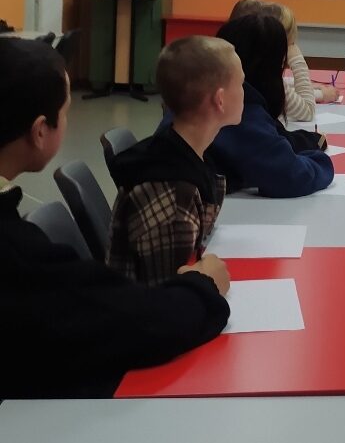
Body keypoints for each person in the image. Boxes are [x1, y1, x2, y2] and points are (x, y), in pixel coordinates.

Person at [0, 38, 229, 398]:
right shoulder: (17, 253)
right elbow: (142, 323)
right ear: (40, 130)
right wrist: (204, 286)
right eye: (67, 111)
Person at [108, 36, 244, 286]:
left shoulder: (185, 152)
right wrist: (209, 285)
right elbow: (171, 300)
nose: (245, 92)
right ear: (220, 99)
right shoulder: (174, 198)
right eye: (241, 84)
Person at [164, 14, 335, 198]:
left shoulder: (196, 97)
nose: (245, 90)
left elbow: (270, 143)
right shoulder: (236, 116)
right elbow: (290, 176)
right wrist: (321, 161)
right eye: (241, 83)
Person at [228, 0, 337, 121]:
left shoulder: (240, 66)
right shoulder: (265, 78)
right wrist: (297, 60)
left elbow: (283, 87)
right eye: (290, 43)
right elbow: (307, 111)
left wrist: (311, 88)